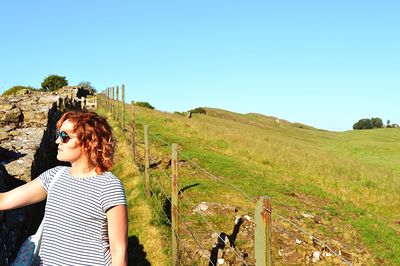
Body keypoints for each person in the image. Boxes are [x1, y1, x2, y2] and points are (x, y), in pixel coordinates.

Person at [0, 110, 128, 266]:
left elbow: (118, 250)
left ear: (90, 142)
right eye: (58, 134)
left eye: (64, 136)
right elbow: (5, 200)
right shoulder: (54, 176)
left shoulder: (109, 186)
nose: (57, 141)